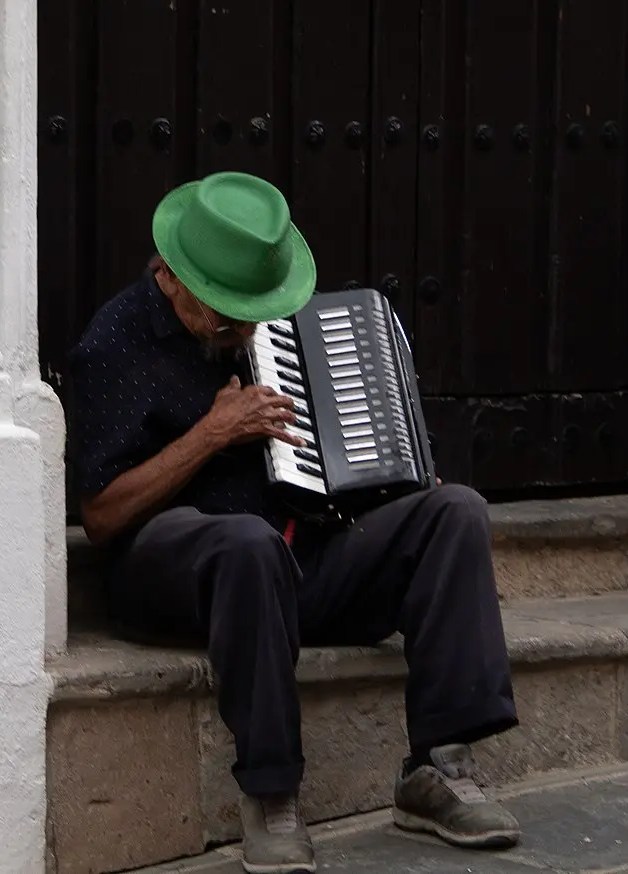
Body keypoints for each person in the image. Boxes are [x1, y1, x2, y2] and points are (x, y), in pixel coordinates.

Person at [68, 172, 521, 874]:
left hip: (295, 559)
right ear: (172, 277)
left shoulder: (272, 328)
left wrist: (384, 474)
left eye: (253, 309)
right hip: (178, 569)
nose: (246, 327)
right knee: (245, 544)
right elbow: (101, 515)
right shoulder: (114, 343)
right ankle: (271, 793)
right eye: (227, 313)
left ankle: (436, 768)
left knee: (451, 511)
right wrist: (211, 434)